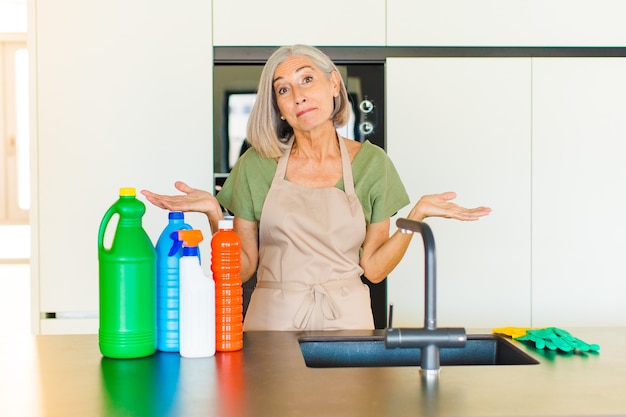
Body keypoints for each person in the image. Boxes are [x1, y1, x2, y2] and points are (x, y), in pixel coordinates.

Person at [142, 45, 491, 331]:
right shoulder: (256, 165)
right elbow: (242, 269)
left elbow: (374, 269)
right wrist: (215, 215)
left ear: (334, 85)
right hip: (271, 326)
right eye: (283, 89)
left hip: (348, 322)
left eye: (307, 79)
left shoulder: (372, 164)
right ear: (278, 106)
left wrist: (417, 216)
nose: (298, 96)